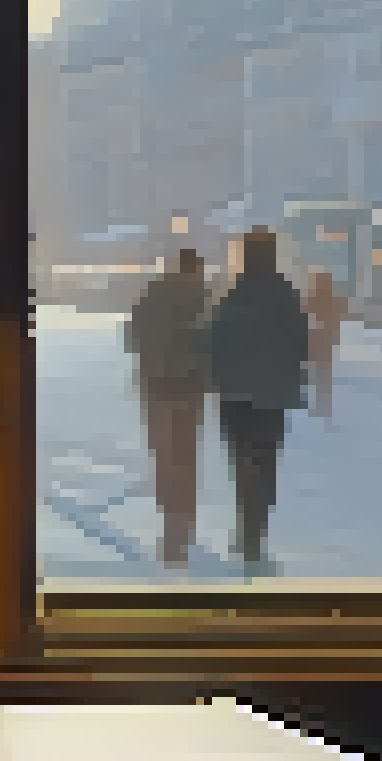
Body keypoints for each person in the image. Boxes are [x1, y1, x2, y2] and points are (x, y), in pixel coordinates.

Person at [204, 227, 311, 569]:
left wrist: (219, 373)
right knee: (265, 461)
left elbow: (214, 341)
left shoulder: (232, 293)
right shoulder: (286, 294)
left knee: (241, 461)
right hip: (272, 393)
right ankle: (256, 533)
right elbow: (301, 344)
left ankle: (245, 530)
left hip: (235, 393)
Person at [126, 249, 212, 566]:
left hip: (156, 388)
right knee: (187, 456)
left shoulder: (151, 294)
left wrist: (149, 361)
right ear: (197, 271)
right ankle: (182, 528)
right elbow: (215, 345)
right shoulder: (206, 299)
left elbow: (132, 336)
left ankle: (170, 522)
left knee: (163, 454)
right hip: (190, 390)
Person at [302, 270, 349, 419]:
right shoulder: (327, 298)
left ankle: (321, 404)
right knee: (321, 374)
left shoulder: (316, 298)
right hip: (322, 339)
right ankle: (322, 404)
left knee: (319, 373)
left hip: (319, 339)